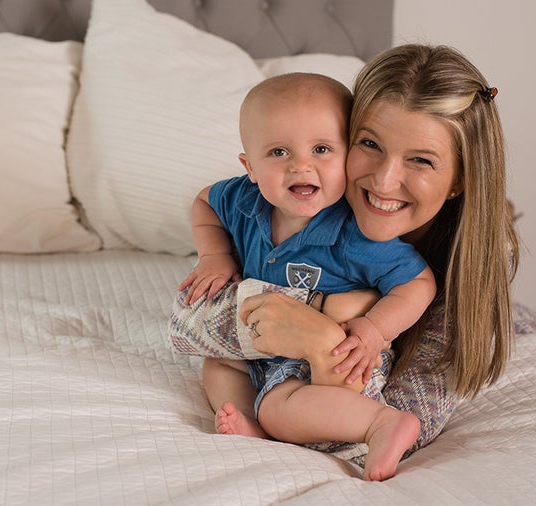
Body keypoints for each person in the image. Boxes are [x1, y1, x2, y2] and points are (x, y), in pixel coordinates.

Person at [235, 43, 519, 467]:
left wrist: (319, 329)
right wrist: (331, 306)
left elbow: (363, 439)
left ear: (460, 179)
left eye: (421, 160)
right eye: (369, 143)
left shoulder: (471, 268)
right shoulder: (306, 198)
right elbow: (189, 323)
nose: (384, 182)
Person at [177, 72, 436, 481]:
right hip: (265, 345)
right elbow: (204, 202)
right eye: (279, 151)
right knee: (218, 365)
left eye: (321, 149)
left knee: (282, 406)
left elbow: (418, 282)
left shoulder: (354, 233)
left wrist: (372, 329)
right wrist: (214, 255)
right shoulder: (244, 200)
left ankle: (380, 423)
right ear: (250, 166)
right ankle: (252, 426)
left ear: (349, 157)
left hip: (334, 357)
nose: (301, 165)